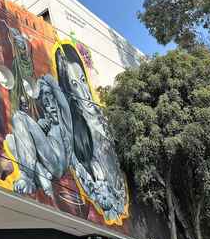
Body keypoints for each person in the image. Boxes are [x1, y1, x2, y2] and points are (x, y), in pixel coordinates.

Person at [56, 45, 127, 221]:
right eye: (74, 84)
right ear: (69, 91)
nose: (84, 91)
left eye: (82, 80)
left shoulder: (105, 117)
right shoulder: (76, 132)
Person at [7, 74, 74, 199]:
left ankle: (27, 177)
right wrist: (40, 128)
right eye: (46, 103)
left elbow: (63, 103)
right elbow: (33, 145)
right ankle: (40, 173)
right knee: (11, 140)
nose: (51, 106)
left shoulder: (64, 121)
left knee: (19, 117)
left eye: (52, 100)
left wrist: (49, 80)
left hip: (57, 163)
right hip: (50, 165)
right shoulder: (47, 124)